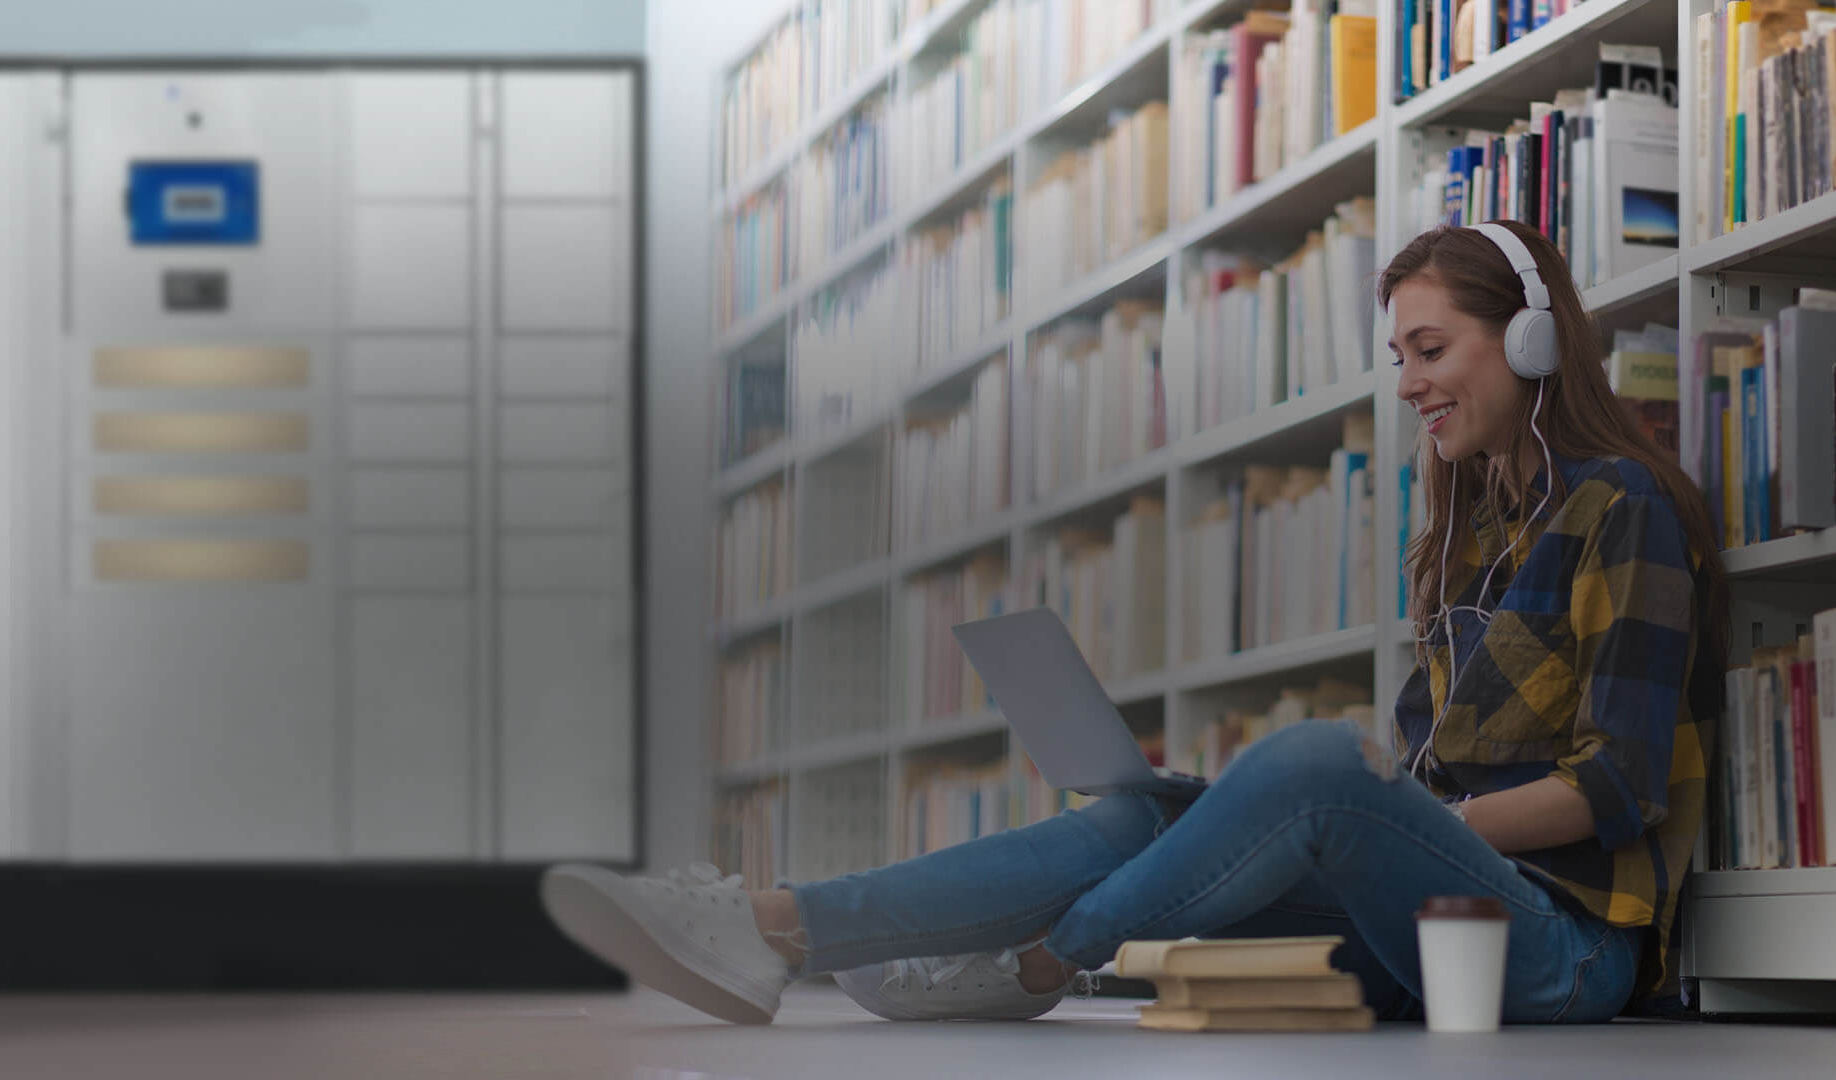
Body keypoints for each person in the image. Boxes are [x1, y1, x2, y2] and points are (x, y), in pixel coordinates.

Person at [542, 220, 1729, 1027]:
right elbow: (1417, 784)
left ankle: (1040, 961)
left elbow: (1615, 787)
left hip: (1564, 948)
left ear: (1528, 341)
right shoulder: (1466, 536)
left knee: (1317, 766)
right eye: (1399, 356)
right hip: (1427, 930)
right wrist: (1282, 820)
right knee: (1137, 810)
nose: (1410, 381)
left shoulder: (1622, 509)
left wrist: (1406, 817)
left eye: (1432, 350)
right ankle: (767, 925)